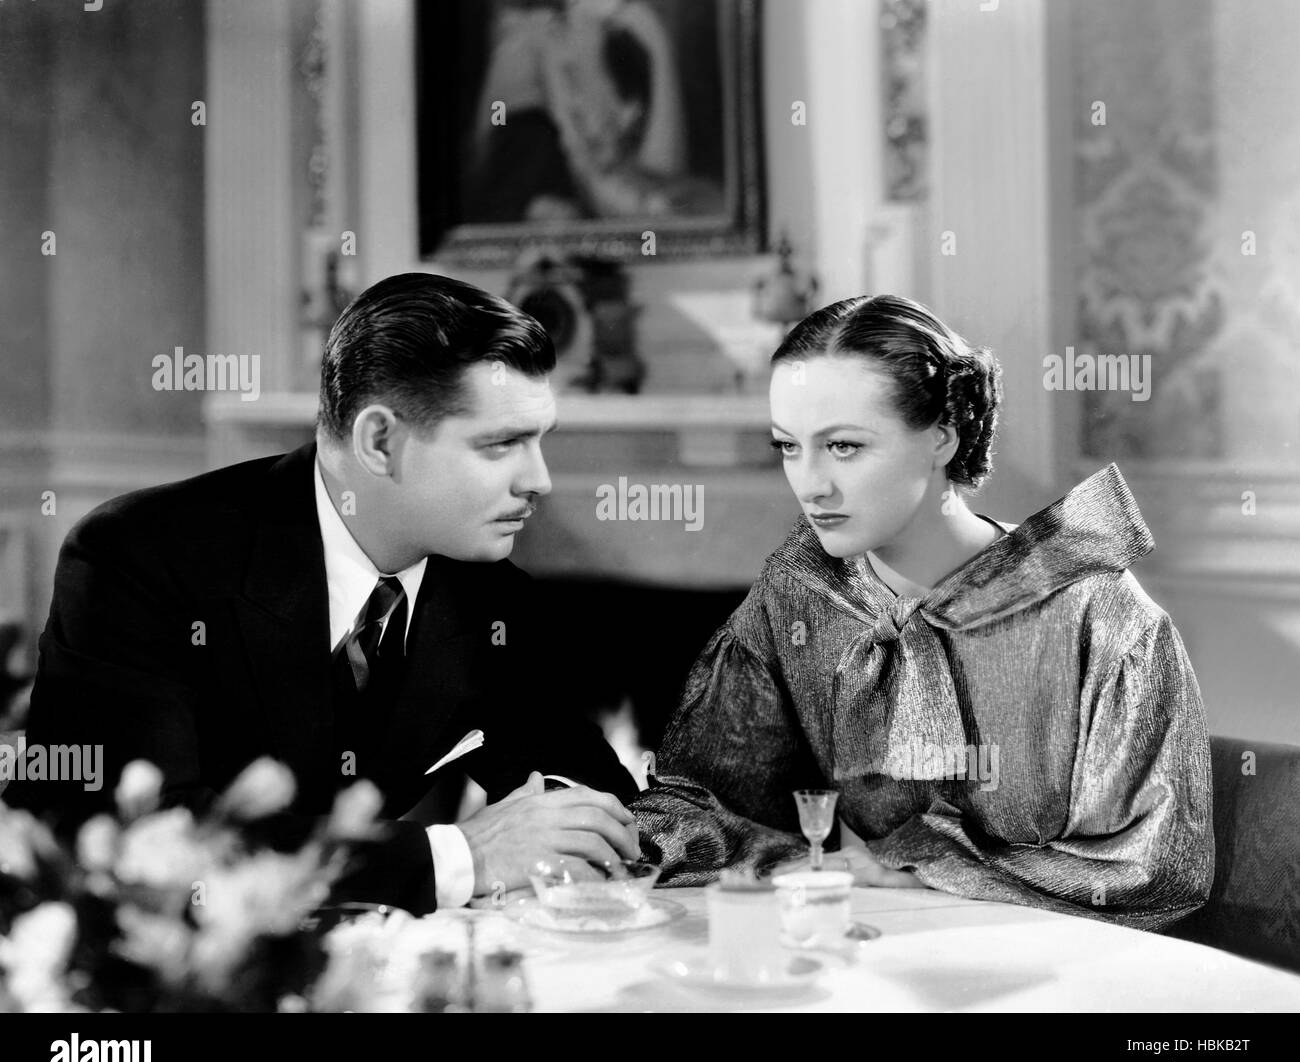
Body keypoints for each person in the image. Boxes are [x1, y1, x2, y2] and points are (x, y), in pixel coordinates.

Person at [3, 273, 638, 914]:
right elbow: (147, 848)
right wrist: (463, 855)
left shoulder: (489, 596)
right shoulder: (136, 558)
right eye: (502, 444)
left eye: (540, 440)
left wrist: (563, 825)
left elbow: (596, 795)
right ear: (380, 442)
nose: (540, 480)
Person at [633, 294, 1214, 931]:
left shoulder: (1100, 616)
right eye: (787, 447)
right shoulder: (801, 594)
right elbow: (697, 801)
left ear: (943, 435)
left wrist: (921, 867)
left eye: (845, 447)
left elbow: (1152, 871)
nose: (810, 484)